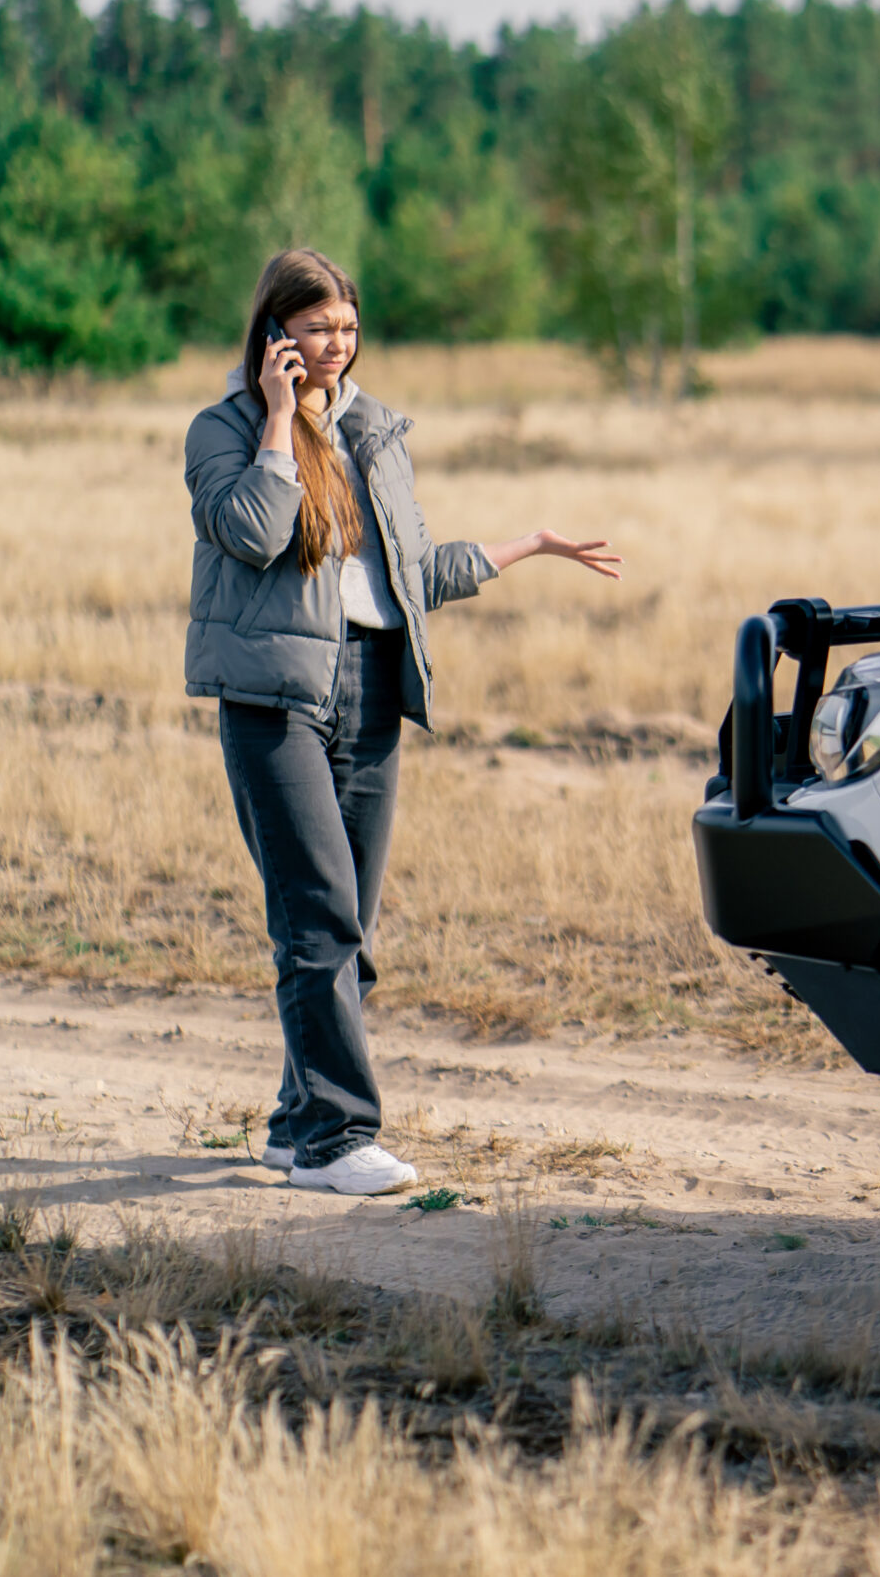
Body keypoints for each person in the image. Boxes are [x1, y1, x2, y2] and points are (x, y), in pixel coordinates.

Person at [184, 248, 620, 1196]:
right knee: (319, 920)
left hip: (374, 684)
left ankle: (298, 1123)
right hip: (277, 699)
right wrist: (274, 418)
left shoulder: (376, 430)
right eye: (314, 329)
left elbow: (410, 572)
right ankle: (340, 1138)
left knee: (352, 927)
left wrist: (532, 545)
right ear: (273, 335)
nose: (335, 346)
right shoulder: (220, 433)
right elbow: (255, 533)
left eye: (346, 327)